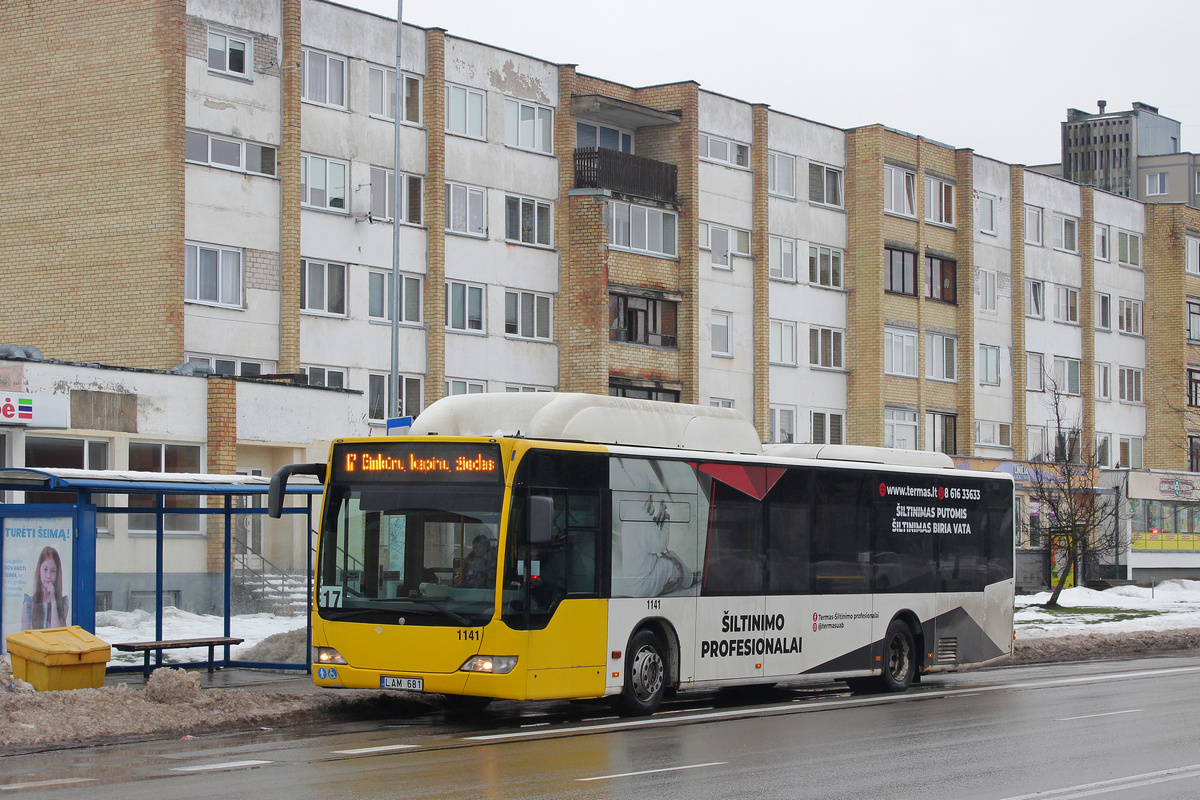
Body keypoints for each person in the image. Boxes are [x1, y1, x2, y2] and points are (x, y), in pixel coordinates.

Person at [21, 546, 69, 630]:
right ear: (39, 570)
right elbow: (23, 637)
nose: (48, 576)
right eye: (45, 569)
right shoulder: (29, 604)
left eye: (53, 571)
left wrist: (53, 600)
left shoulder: (63, 604)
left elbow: (57, 633)